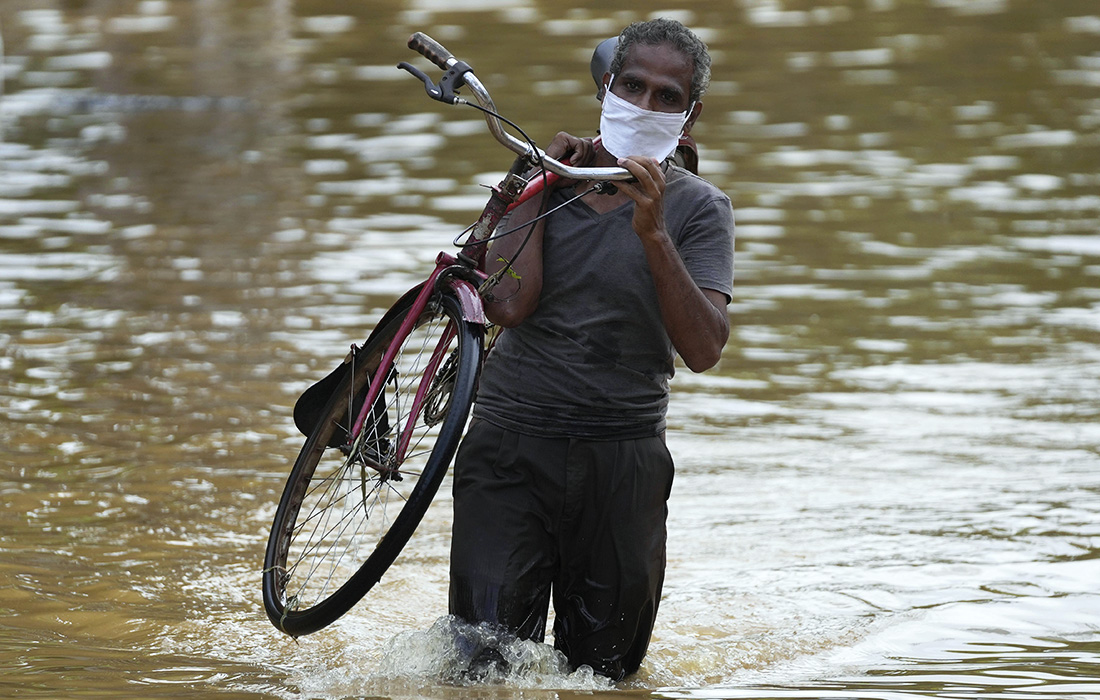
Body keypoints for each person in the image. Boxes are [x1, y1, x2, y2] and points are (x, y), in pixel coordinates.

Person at [448, 18, 734, 681]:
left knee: (604, 677)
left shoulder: (699, 210)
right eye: (633, 85)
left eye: (668, 96)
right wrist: (536, 181)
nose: (646, 104)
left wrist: (653, 231)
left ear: (690, 117)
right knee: (485, 673)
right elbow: (509, 304)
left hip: (622, 460)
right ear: (607, 86)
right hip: (509, 451)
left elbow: (704, 348)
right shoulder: (543, 184)